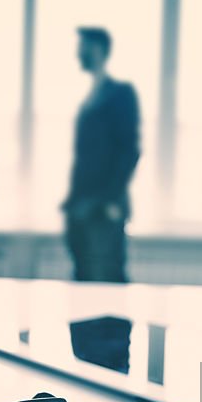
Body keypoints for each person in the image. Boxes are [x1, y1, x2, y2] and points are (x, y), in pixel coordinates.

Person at [63, 27, 140, 283]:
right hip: (81, 206)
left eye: (86, 47)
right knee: (83, 277)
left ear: (101, 51)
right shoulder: (90, 96)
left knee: (107, 279)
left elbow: (129, 150)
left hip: (103, 209)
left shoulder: (120, 93)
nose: (80, 53)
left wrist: (109, 200)